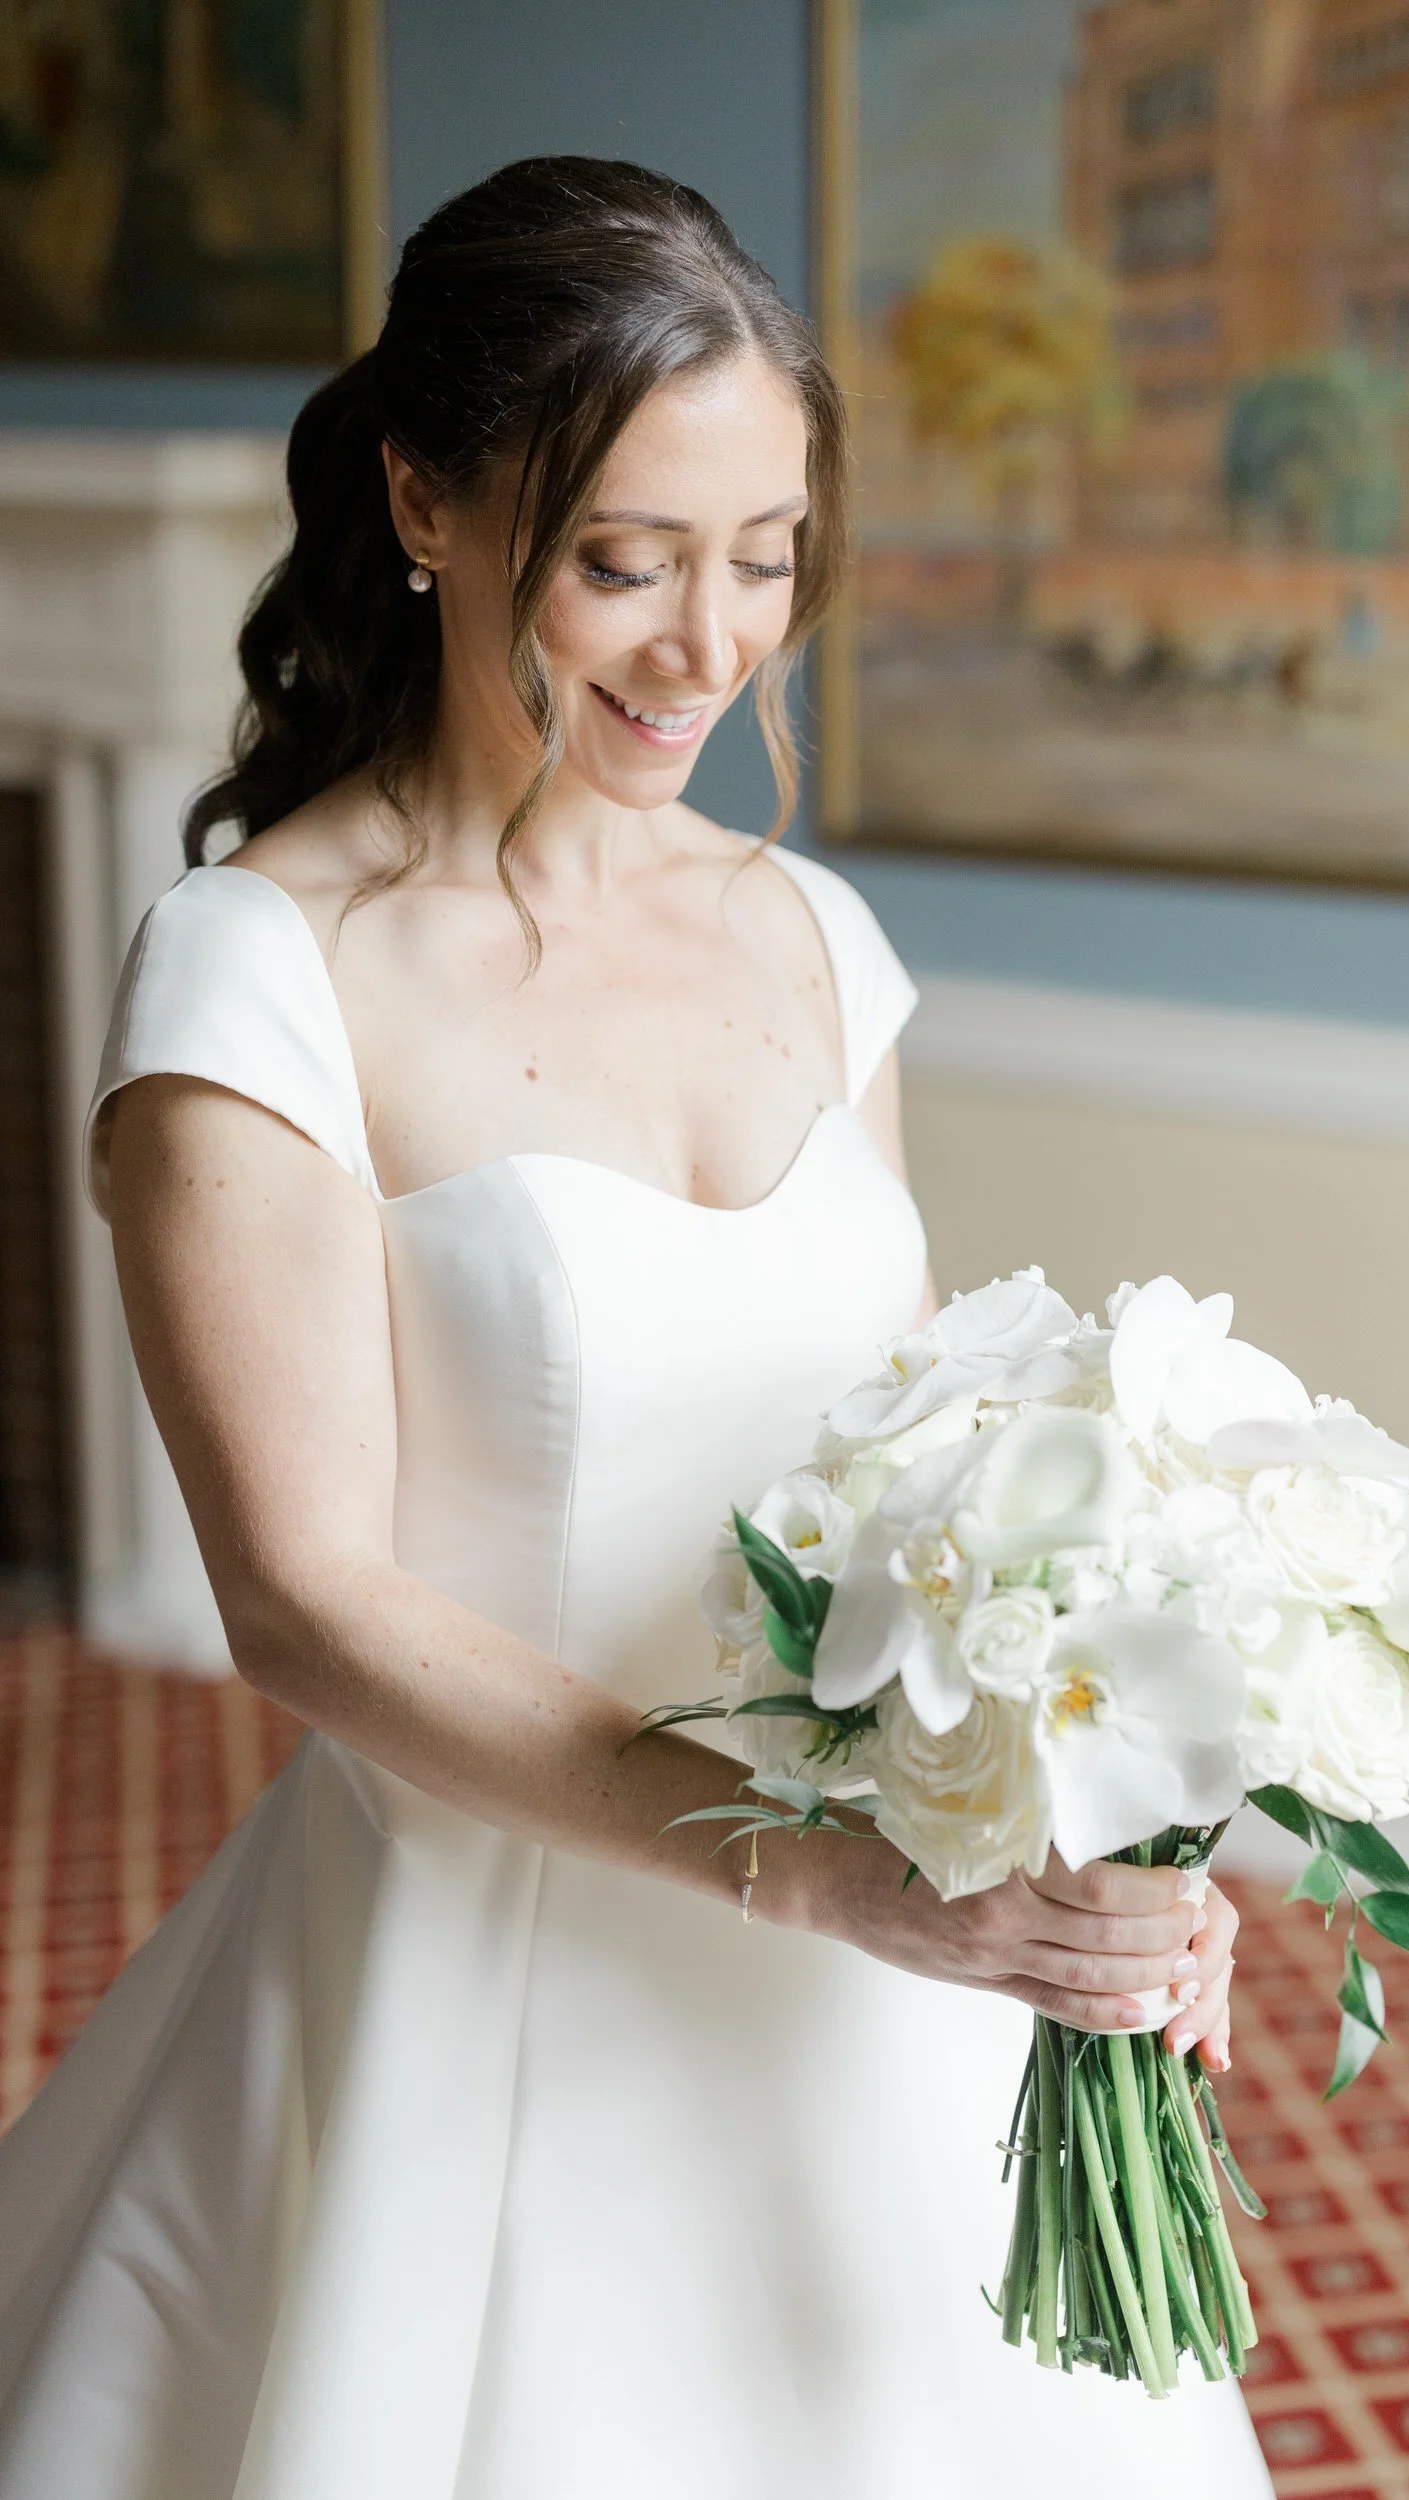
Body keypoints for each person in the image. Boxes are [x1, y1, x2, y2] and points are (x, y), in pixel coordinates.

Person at [0, 161, 1269, 2498]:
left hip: (900, 1963)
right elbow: (299, 1600)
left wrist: (1101, 1838)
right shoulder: (255, 976)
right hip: (500, 1962)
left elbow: (937, 1494)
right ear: (421, 496)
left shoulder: (816, 939)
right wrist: (824, 1869)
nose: (710, 645)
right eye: (623, 559)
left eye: (766, 556)